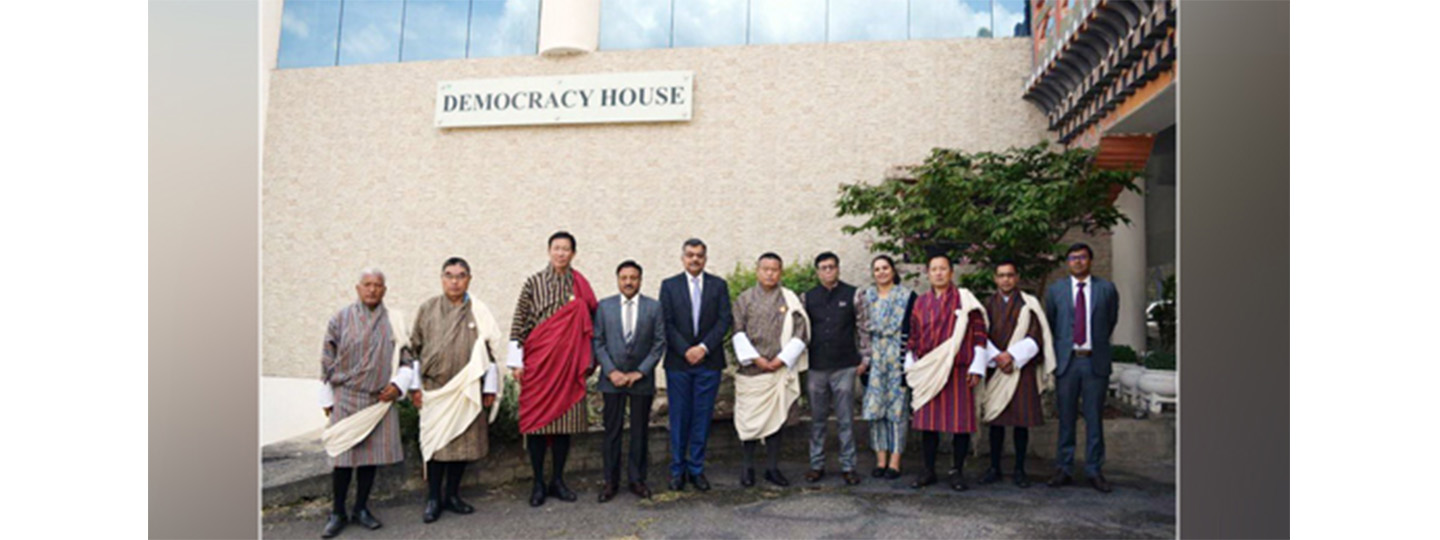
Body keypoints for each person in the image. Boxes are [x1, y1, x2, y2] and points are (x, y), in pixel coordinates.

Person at [403, 257, 504, 524]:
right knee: (435, 445)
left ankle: (453, 495)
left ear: (469, 279)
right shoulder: (427, 309)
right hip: (435, 390)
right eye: (449, 275)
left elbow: (491, 351)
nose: (455, 281)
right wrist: (414, 386)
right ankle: (434, 498)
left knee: (462, 445)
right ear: (442, 278)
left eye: (460, 276)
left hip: (467, 390)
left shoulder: (479, 311)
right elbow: (413, 349)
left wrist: (490, 387)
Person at [316, 268, 411, 538]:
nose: (372, 290)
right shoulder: (340, 318)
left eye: (378, 285)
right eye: (367, 285)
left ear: (384, 290)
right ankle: (337, 512)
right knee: (342, 458)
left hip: (378, 399)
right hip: (346, 396)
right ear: (358, 288)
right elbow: (326, 358)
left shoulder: (395, 321)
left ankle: (361, 508)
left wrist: (397, 386)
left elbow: (407, 358)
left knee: (371, 460)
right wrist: (326, 397)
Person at [508, 231, 599, 507]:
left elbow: (592, 319)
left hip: (568, 365)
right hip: (539, 363)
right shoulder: (533, 283)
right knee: (536, 425)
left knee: (564, 425)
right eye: (556, 248)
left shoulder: (580, 284)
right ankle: (537, 482)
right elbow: (519, 322)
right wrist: (516, 361)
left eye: (566, 249)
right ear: (549, 251)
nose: (561, 253)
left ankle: (558, 480)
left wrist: (589, 358)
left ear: (573, 253)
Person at [904, 254, 989, 491]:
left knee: (959, 424)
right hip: (930, 369)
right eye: (934, 269)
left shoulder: (965, 299)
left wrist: (977, 365)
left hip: (958, 368)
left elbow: (979, 332)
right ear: (928, 274)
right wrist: (911, 362)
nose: (939, 273)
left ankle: (957, 471)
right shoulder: (921, 302)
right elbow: (913, 334)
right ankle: (928, 470)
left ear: (951, 272)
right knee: (928, 424)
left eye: (943, 269)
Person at [1043, 242, 1120, 493]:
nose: (1078, 261)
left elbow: (1110, 321)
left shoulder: (1106, 289)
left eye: (1083, 257)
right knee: (1066, 417)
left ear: (1090, 260)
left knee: (1094, 418)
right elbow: (1053, 324)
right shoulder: (1056, 291)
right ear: (1068, 262)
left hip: (1094, 361)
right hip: (1068, 361)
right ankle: (1063, 468)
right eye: (1073, 257)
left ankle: (1094, 470)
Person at [731, 253, 810, 488]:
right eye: (765, 269)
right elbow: (737, 331)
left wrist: (781, 360)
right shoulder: (744, 299)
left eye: (775, 269)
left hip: (779, 369)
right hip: (752, 372)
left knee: (778, 421)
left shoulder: (790, 299)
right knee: (749, 422)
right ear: (757, 271)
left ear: (781, 272)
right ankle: (747, 468)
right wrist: (756, 359)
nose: (770, 273)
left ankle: (772, 468)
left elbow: (801, 332)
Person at [658, 238, 731, 492]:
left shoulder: (718, 285)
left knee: (702, 417)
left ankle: (696, 469)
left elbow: (724, 321)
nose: (695, 259)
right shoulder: (669, 286)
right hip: (679, 363)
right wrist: (685, 349)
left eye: (699, 255)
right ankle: (677, 470)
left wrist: (702, 348)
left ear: (705, 258)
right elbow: (665, 323)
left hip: (708, 362)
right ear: (682, 258)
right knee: (679, 418)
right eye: (690, 255)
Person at [977, 260, 1055, 488]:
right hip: (996, 368)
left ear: (1017, 277)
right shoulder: (987, 305)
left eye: (1010, 275)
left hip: (1021, 368)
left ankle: (1020, 469)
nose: (1006, 280)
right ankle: (994, 467)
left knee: (1021, 423)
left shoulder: (1029, 304)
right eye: (1001, 275)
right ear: (995, 278)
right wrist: (998, 357)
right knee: (996, 421)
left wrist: (1011, 356)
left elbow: (1035, 336)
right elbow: (980, 334)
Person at [592, 260, 665, 502]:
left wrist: (640, 372)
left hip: (640, 381)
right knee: (612, 432)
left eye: (633, 278)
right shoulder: (605, 307)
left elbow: (658, 344)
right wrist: (611, 371)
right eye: (624, 277)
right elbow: (598, 342)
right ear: (618, 279)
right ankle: (610, 482)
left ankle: (637, 480)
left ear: (640, 280)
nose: (629, 282)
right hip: (611, 380)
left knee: (639, 432)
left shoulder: (653, 308)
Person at [800, 252, 864, 485]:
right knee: (817, 419)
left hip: (845, 366)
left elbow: (863, 328)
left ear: (838, 269)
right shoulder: (807, 298)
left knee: (846, 419)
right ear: (817, 272)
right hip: (816, 367)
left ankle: (849, 466)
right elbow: (800, 332)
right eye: (823, 268)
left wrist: (864, 359)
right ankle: (816, 464)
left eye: (832, 267)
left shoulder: (853, 294)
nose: (828, 271)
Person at [857, 255, 917, 481]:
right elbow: (860, 330)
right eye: (877, 269)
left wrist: (908, 361)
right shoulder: (865, 297)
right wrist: (864, 359)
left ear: (893, 270)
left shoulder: (907, 296)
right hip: (874, 358)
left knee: (897, 412)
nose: (881, 272)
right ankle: (880, 459)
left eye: (885, 268)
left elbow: (913, 330)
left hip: (897, 359)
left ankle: (895, 461)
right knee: (875, 411)